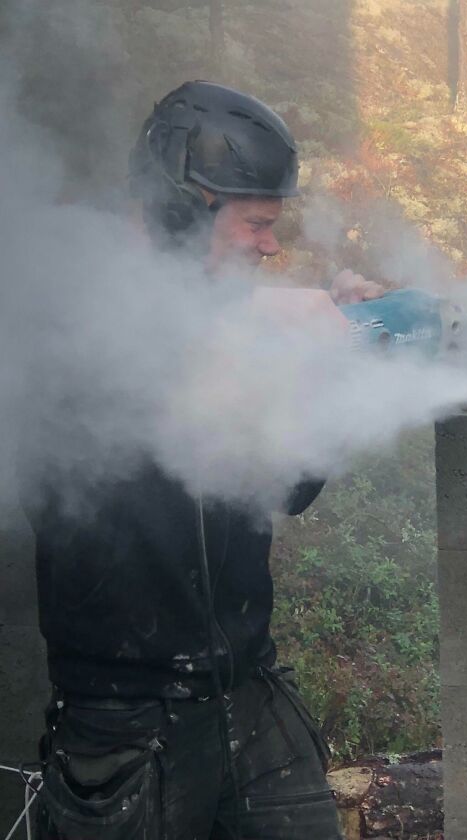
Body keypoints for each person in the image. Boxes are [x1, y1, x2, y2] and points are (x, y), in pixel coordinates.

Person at [29, 80, 383, 840]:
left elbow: (284, 486)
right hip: (125, 730)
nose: (272, 246)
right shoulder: (58, 292)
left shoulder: (230, 312)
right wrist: (256, 316)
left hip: (250, 695)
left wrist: (327, 365)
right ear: (181, 210)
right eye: (256, 223)